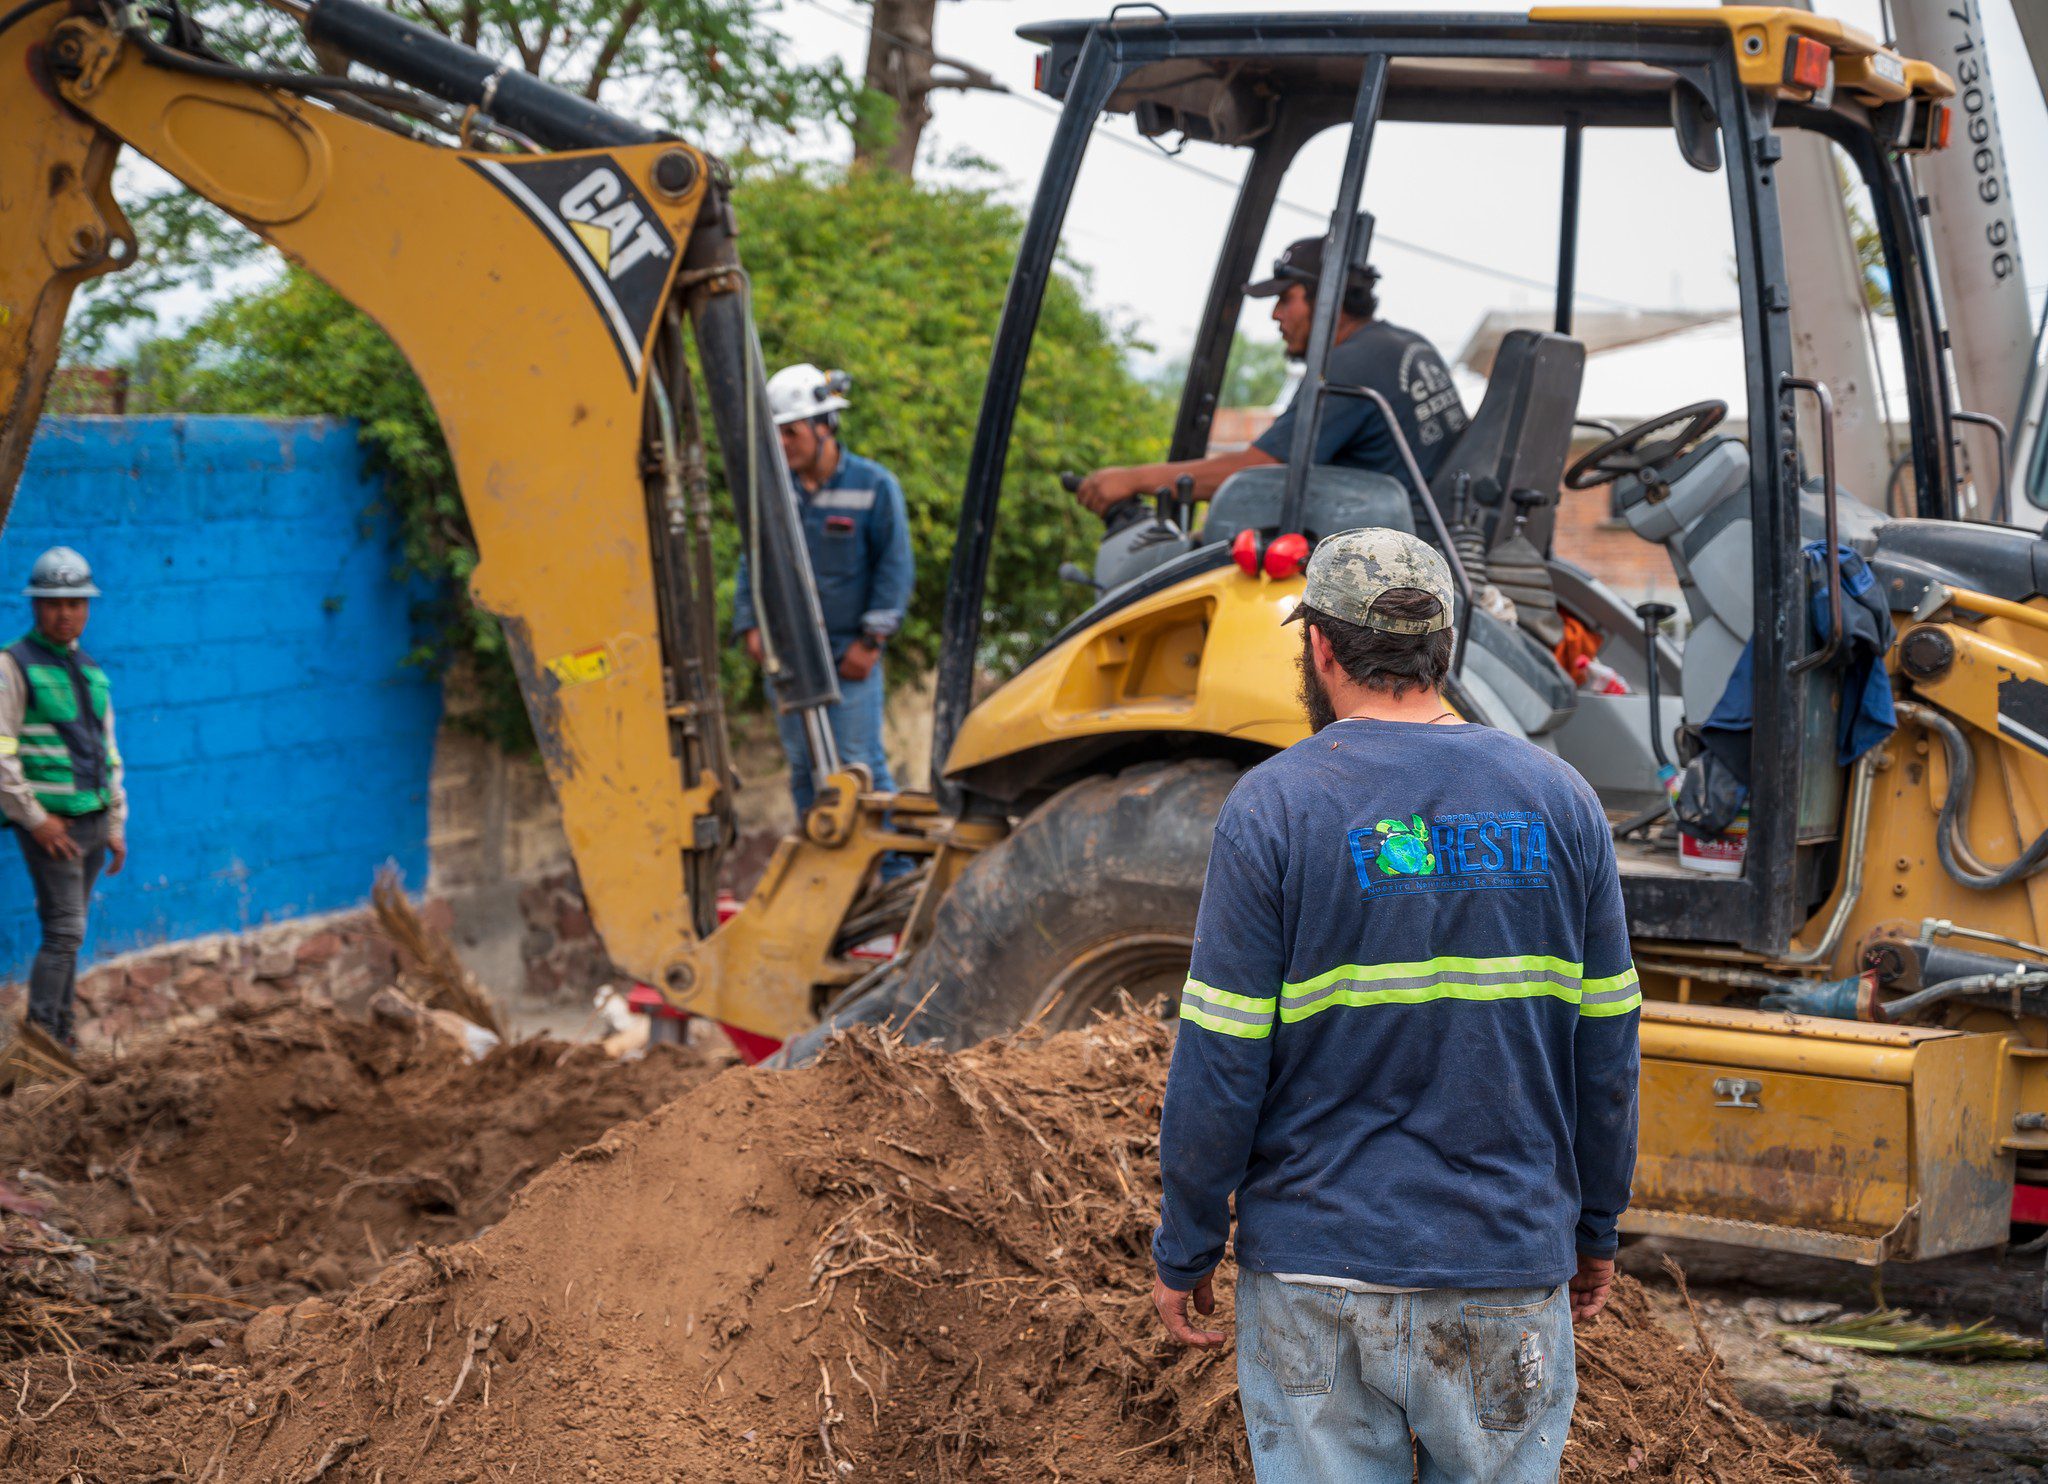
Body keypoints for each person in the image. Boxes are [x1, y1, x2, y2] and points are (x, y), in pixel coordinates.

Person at [1150, 528, 1639, 1482]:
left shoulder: (1275, 808)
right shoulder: (1563, 801)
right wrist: (1594, 1231)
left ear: (1320, 650)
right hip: (1504, 1261)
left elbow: (1221, 1056)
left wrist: (1189, 1241)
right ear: (1444, 647)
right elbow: (1608, 1055)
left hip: (1316, 1274)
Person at [1073, 234, 1468, 519]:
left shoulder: (1347, 368)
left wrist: (1134, 478)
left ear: (1328, 298)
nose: (1275, 315)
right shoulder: (1407, 344)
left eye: (1285, 299)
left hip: (1386, 558)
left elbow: (1256, 473)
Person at [734, 364, 914, 818]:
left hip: (848, 653)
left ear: (824, 426)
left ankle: (892, 876)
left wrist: (871, 643)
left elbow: (894, 568)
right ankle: (822, 881)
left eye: (791, 433)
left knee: (861, 767)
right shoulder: (773, 492)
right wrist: (750, 625)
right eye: (775, 433)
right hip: (789, 653)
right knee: (805, 769)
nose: (781, 444)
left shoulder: (874, 486)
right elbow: (750, 560)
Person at [1, 548, 126, 1049]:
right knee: (64, 931)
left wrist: (116, 821)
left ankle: (64, 1037)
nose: (65, 612)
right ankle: (43, 1043)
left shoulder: (91, 670)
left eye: (75, 601)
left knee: (70, 934)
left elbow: (109, 750)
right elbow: (1, 753)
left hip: (94, 823)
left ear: (87, 607)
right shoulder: (12, 666)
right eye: (53, 602)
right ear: (35, 606)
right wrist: (35, 819)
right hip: (54, 830)